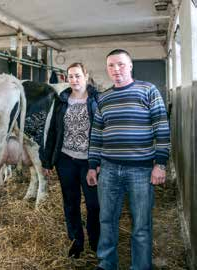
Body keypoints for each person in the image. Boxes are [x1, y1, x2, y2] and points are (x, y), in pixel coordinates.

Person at [87, 49, 170, 270]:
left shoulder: (148, 90)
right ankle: (106, 264)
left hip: (141, 171)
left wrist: (160, 164)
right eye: (111, 65)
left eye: (121, 64)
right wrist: (92, 166)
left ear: (130, 66)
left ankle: (141, 266)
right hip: (109, 169)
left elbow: (162, 128)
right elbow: (96, 135)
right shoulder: (103, 98)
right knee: (106, 221)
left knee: (141, 225)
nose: (116, 69)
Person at [41, 62, 100, 258]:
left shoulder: (96, 100)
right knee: (70, 202)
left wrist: (99, 161)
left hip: (89, 162)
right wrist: (47, 161)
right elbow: (53, 132)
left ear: (86, 75)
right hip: (66, 159)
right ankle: (76, 240)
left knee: (94, 204)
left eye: (77, 75)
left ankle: (95, 239)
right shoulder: (61, 100)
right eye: (70, 76)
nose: (74, 80)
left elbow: (103, 132)